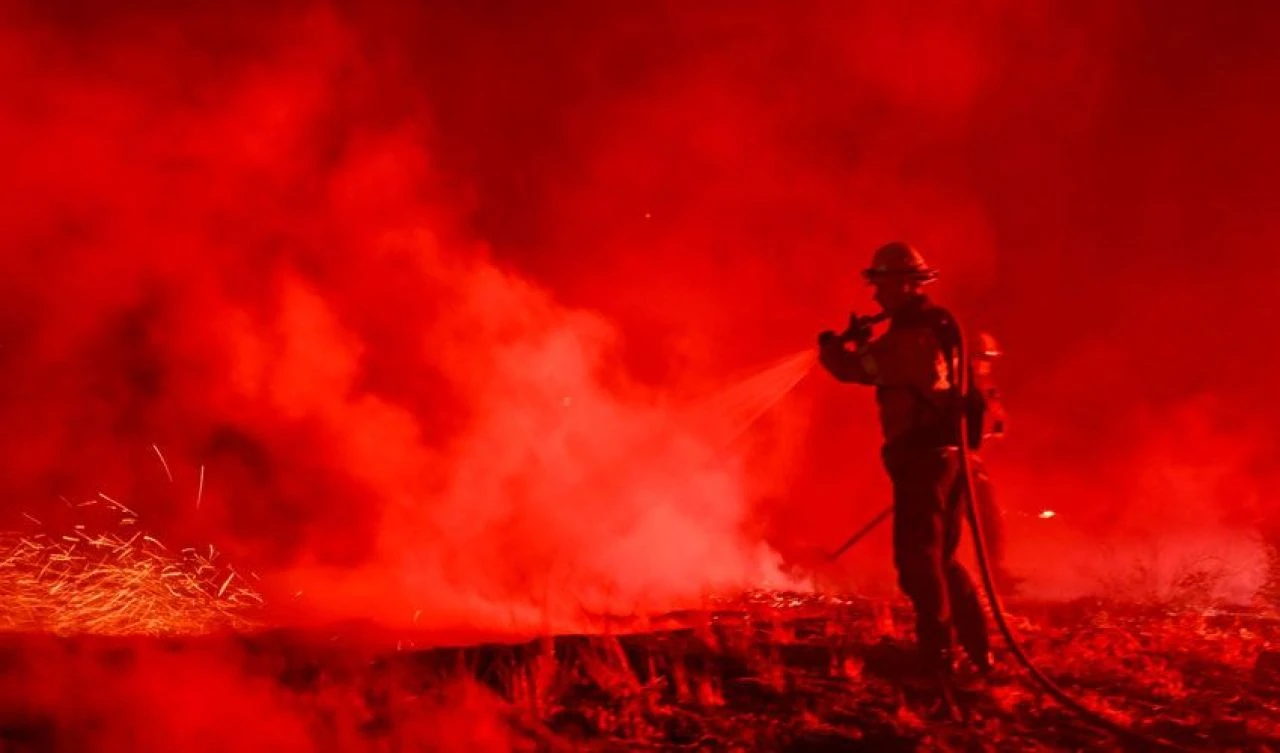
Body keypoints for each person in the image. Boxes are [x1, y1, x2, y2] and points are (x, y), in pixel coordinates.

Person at [817, 241, 991, 675]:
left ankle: (939, 655)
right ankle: (978, 650)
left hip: (925, 459)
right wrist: (863, 342)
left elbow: (862, 369)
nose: (877, 295)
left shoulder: (913, 337)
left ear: (908, 285)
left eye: (883, 285)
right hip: (948, 457)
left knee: (917, 562)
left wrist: (833, 350)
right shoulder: (934, 328)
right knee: (941, 558)